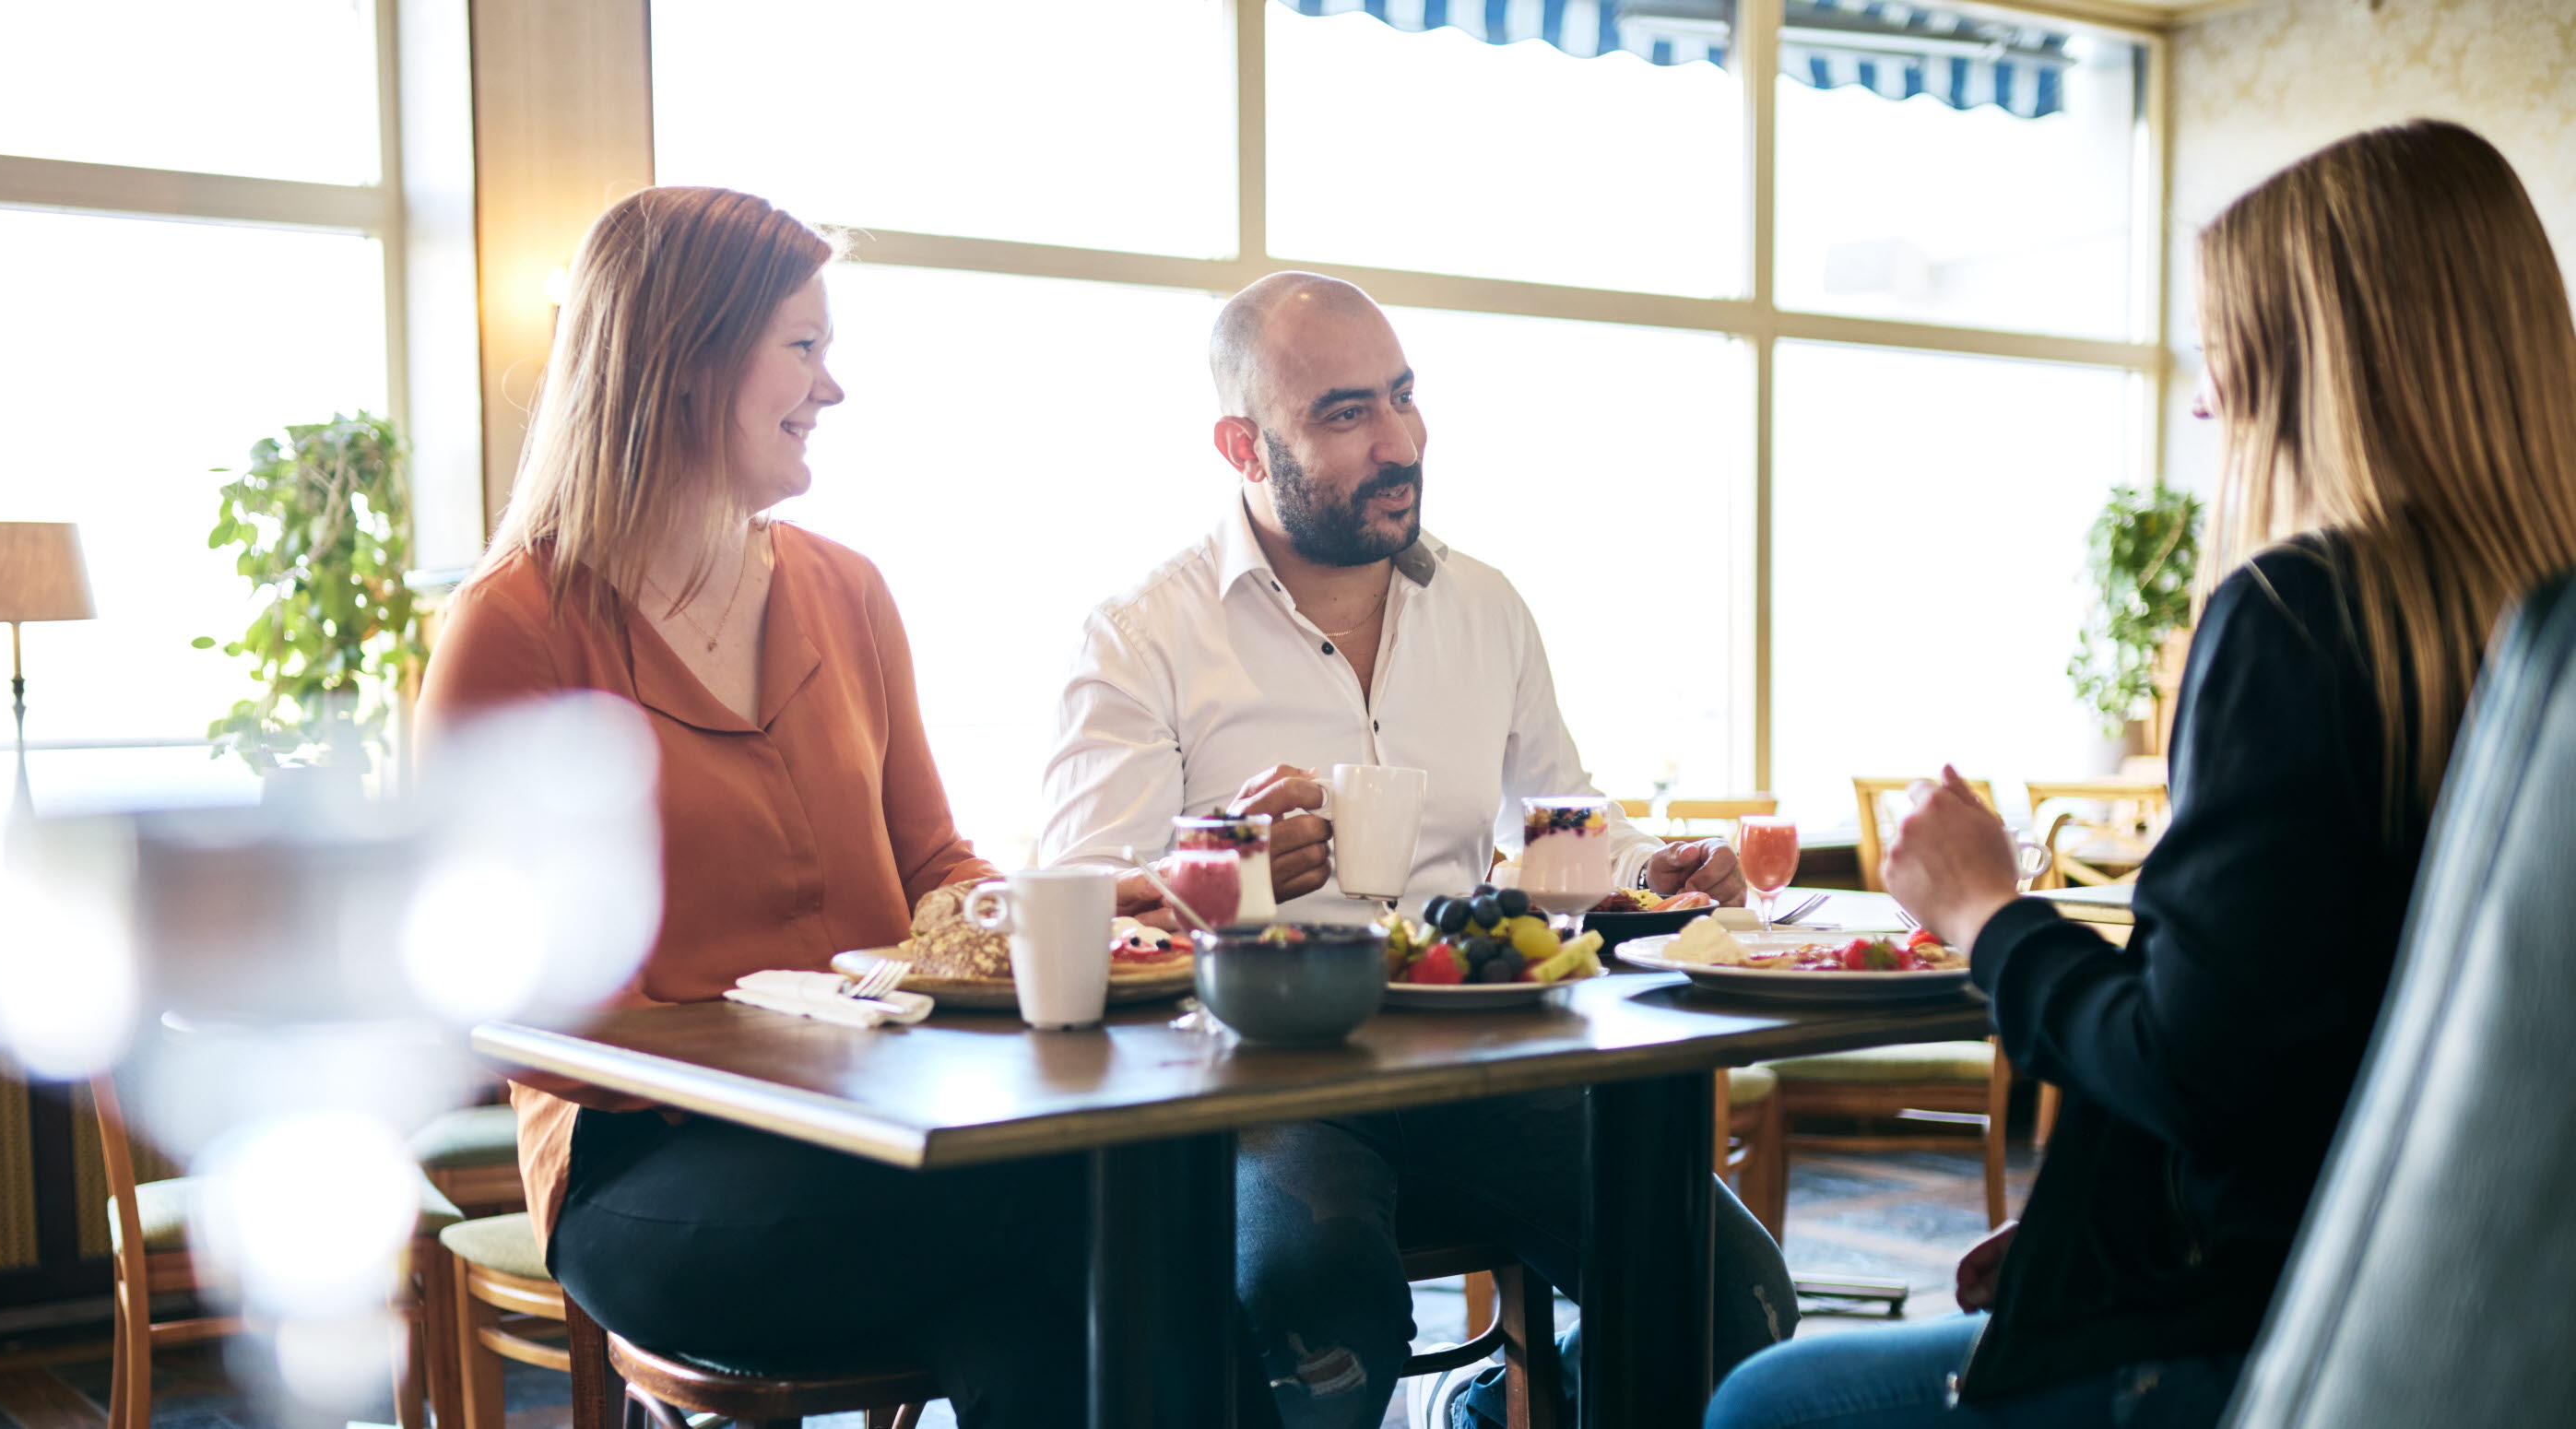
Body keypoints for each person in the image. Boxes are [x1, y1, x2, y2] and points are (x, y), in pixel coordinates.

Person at [1707, 120, 2576, 1429]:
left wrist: (1984, 909)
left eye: (2226, 351)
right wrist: (2086, 1228)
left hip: (2251, 1343)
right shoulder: (2528, 647)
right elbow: (2325, 1060)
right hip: (2461, 1331)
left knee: (1768, 1404)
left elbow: (2192, 1067)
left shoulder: (2294, 620)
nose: (2205, 404)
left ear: (2320, 366)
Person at [1035, 271, 1788, 1429]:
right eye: (1346, 414)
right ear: (1242, 446)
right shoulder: (1144, 632)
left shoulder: (1485, 605)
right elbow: (1080, 899)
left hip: (1479, 1059)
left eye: (1402, 395)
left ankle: (1492, 1410)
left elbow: (1557, 820)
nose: (1400, 442)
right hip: (1263, 1082)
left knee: (1735, 1296)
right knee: (1320, 1328)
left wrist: (1656, 871)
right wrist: (1231, 862)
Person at [416, 187, 1084, 1427]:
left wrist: (1069, 915)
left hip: (884, 1125)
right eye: (804, 345)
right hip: (647, 1163)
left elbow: (931, 862)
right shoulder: (517, 626)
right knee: (1066, 1218)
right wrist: (772, 1039)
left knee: (1057, 1295)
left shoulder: (850, 590)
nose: (833, 387)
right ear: (686, 359)